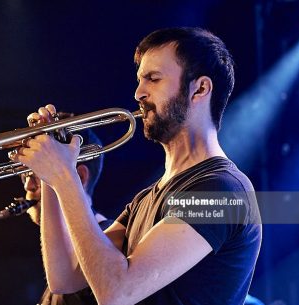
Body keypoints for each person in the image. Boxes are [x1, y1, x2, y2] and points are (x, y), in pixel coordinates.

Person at [13, 27, 262, 305]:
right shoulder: (145, 199)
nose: (138, 94)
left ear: (200, 88)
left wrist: (64, 175)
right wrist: (49, 176)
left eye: (153, 79)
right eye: (140, 80)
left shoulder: (221, 190)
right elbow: (65, 278)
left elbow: (117, 293)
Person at [21, 126, 113, 304]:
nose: (28, 186)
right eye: (25, 176)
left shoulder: (107, 243)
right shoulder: (60, 255)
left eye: (37, 174)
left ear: (79, 176)